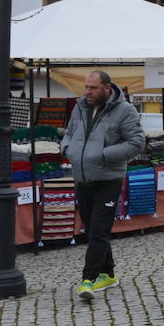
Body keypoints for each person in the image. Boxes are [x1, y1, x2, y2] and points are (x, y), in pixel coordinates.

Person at [62, 70, 145, 300]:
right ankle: (108, 274)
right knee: (91, 228)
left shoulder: (124, 110)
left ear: (107, 88)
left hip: (109, 179)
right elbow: (69, 134)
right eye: (86, 87)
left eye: (93, 88)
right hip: (83, 177)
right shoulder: (80, 107)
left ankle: (88, 279)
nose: (87, 92)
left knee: (99, 230)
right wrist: (67, 149)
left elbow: (137, 143)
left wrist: (103, 154)